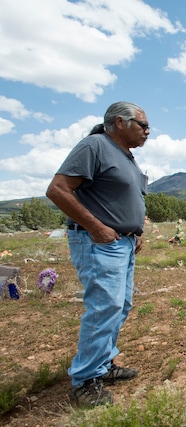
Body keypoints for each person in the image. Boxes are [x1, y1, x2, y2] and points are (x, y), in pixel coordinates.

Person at [46, 101, 150, 407]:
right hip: (100, 243)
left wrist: (135, 232)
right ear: (119, 122)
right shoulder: (94, 146)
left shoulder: (126, 156)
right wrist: (96, 227)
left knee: (120, 305)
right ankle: (84, 380)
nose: (147, 131)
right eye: (142, 125)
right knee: (104, 307)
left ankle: (102, 366)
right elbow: (58, 189)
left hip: (123, 243)